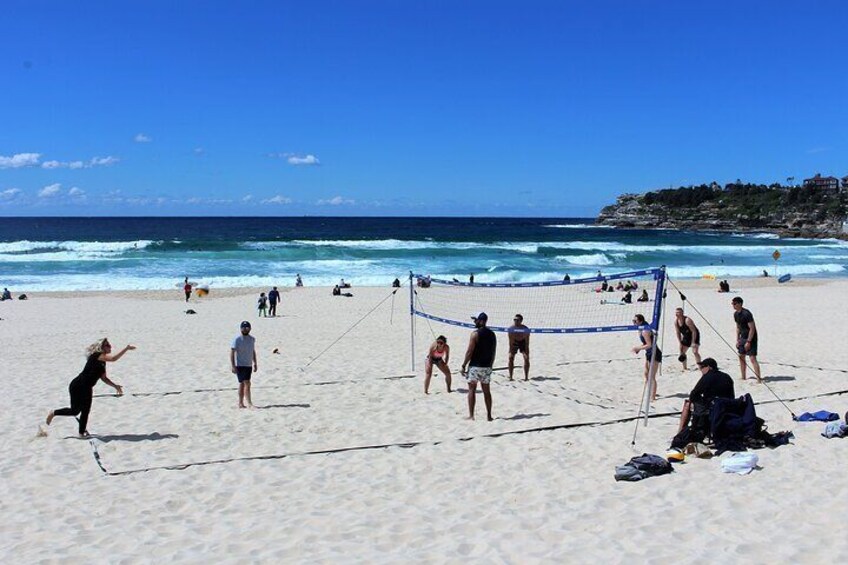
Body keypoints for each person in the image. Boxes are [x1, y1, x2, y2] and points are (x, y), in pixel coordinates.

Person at [45, 338, 136, 437]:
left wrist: (115, 386)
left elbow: (104, 378)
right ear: (101, 348)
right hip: (78, 385)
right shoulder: (97, 356)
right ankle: (53, 413)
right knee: (75, 411)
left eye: (109, 344)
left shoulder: (102, 361)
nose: (110, 346)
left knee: (85, 411)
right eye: (107, 345)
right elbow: (114, 359)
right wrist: (126, 348)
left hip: (87, 387)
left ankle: (81, 433)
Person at [675, 357, 735, 434]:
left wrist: (698, 401)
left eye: (702, 367)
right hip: (727, 407)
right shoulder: (727, 376)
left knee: (688, 403)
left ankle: (681, 431)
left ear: (709, 367)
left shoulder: (708, 376)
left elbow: (694, 394)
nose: (701, 369)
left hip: (713, 408)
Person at [461, 312, 496, 421]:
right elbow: (493, 351)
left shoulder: (475, 334)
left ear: (481, 321)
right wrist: (491, 365)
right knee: (486, 391)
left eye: (476, 320)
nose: (475, 322)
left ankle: (471, 416)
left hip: (475, 366)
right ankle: (489, 416)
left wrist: (463, 365)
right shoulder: (492, 334)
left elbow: (469, 351)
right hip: (487, 366)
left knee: (472, 389)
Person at [631, 314, 661, 401]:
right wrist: (640, 349)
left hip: (654, 353)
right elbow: (646, 344)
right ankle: (651, 391)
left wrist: (638, 348)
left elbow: (649, 344)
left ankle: (653, 397)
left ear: (640, 321)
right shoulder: (641, 329)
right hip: (649, 353)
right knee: (646, 374)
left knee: (651, 376)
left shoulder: (645, 331)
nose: (634, 322)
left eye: (635, 321)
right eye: (633, 321)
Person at [732, 296, 761, 382]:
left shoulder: (747, 313)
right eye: (732, 304)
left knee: (752, 358)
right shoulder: (736, 314)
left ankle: (759, 378)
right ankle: (743, 376)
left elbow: (752, 328)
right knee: (741, 356)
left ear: (740, 304)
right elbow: (737, 327)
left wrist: (748, 341)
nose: (733, 305)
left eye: (734, 303)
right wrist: (737, 339)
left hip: (751, 337)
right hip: (742, 337)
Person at [230, 321, 258, 408]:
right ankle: (249, 403)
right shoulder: (237, 339)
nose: (245, 329)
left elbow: (252, 351)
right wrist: (233, 366)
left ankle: (240, 403)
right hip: (240, 365)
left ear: (250, 328)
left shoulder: (252, 339)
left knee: (242, 384)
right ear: (241, 328)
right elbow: (232, 352)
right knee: (247, 383)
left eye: (247, 327)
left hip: (248, 365)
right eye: (243, 327)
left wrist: (255, 363)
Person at [508, 314, 530, 381]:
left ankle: (526, 377)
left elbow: (527, 341)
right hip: (514, 341)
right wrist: (510, 350)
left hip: (523, 342)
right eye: (514, 320)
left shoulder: (525, 329)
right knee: (511, 357)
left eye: (517, 320)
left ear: (521, 321)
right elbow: (510, 340)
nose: (515, 321)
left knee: (526, 358)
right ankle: (511, 377)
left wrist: (526, 350)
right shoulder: (511, 328)